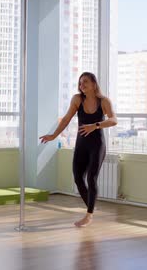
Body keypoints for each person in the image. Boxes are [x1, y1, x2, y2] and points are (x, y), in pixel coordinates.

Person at [40, 72, 117, 227]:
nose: (82, 85)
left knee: (91, 178)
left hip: (97, 145)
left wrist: (95, 125)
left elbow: (113, 120)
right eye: (80, 82)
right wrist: (54, 135)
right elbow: (67, 119)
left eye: (85, 82)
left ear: (94, 84)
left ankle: (88, 215)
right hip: (81, 144)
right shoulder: (77, 99)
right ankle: (91, 206)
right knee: (78, 178)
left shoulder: (104, 101)